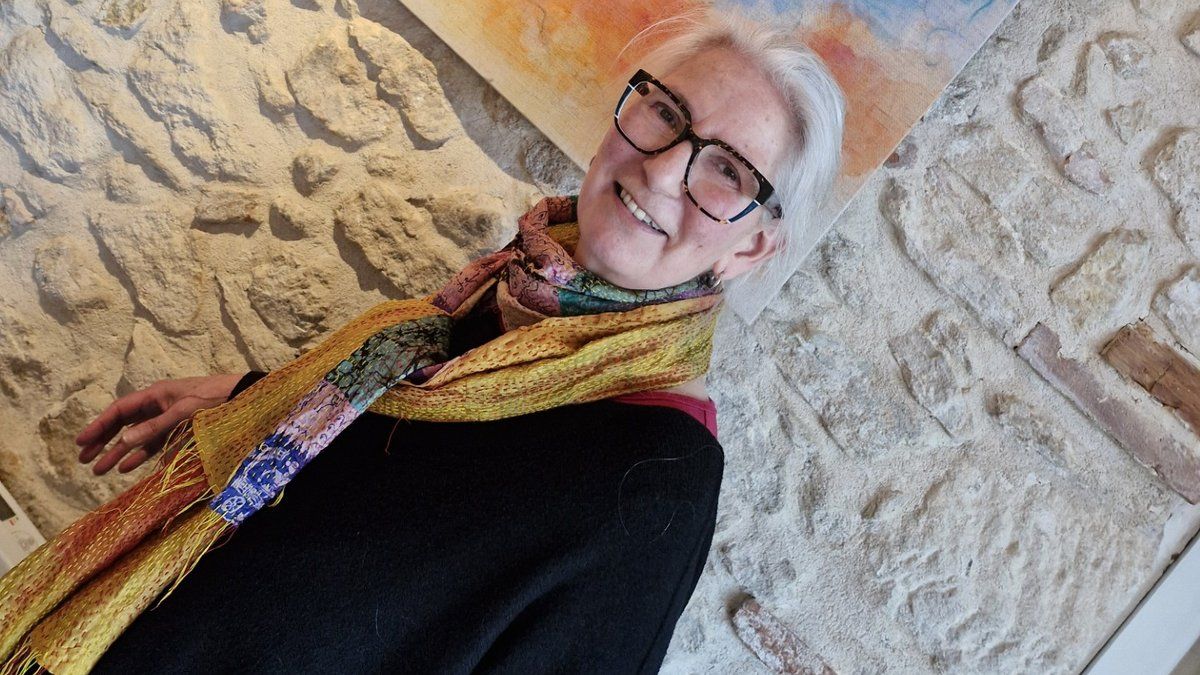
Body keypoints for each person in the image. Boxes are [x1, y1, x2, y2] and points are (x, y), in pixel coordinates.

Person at [1, 8, 844, 674]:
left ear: (750, 248)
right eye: (664, 112)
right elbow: (397, 480)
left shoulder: (655, 480)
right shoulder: (503, 306)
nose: (662, 169)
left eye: (727, 170)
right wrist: (258, 401)